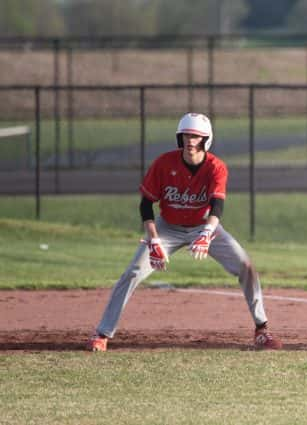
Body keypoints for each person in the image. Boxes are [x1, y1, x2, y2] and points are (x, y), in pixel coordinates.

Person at [86, 113, 282, 352]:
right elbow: (146, 203)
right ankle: (102, 333)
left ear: (206, 140)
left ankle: (261, 329)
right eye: (187, 135)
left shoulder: (215, 167)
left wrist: (207, 233)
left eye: (197, 137)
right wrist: (154, 238)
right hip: (167, 227)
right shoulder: (164, 163)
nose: (191, 141)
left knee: (245, 264)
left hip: (204, 225)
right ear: (180, 138)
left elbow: (218, 204)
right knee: (133, 271)